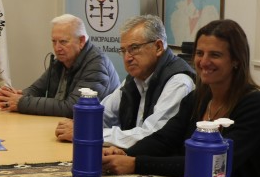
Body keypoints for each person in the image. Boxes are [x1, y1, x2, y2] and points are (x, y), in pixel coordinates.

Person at [102, 19, 260, 177]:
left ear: (236, 60)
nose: (204, 62)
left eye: (215, 55)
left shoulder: (255, 106)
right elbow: (164, 140)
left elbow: (210, 165)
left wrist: (136, 163)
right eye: (200, 53)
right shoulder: (198, 98)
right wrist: (125, 153)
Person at [55, 15, 195, 148]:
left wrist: (87, 133)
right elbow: (104, 114)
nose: (127, 58)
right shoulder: (135, 78)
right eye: (123, 50)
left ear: (158, 47)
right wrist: (81, 125)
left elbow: (151, 135)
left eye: (134, 48)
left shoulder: (179, 82)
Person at [0, 14, 119, 117]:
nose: (57, 48)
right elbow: (37, 89)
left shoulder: (97, 65)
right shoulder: (61, 61)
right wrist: (12, 96)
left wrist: (21, 102)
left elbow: (73, 108)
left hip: (96, 132)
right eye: (54, 42)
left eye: (63, 42)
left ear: (81, 41)